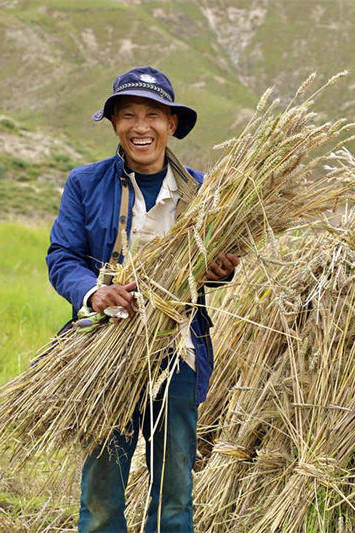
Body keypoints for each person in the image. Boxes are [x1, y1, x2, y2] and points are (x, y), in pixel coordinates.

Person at [46, 66, 239, 532]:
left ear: (171, 124)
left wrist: (221, 272)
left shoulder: (204, 192)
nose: (140, 126)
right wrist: (93, 292)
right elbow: (63, 256)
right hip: (104, 350)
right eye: (128, 114)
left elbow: (222, 265)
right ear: (114, 123)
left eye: (153, 114)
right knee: (102, 485)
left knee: (174, 490)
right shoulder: (85, 183)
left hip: (181, 349)